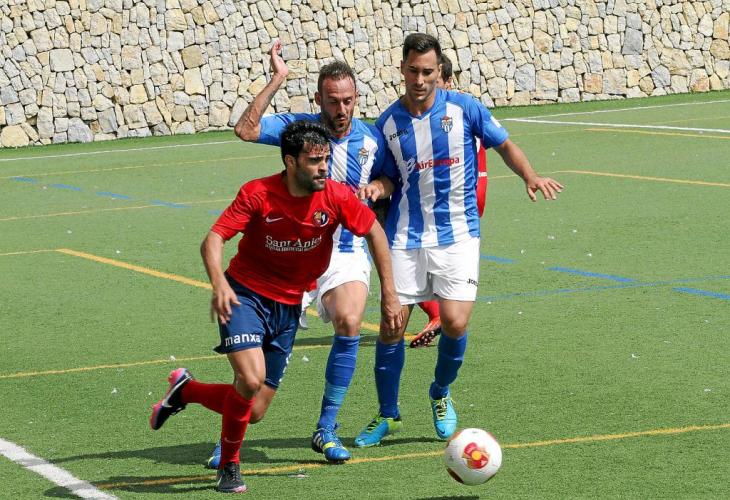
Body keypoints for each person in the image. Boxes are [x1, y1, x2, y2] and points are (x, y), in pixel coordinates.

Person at [148, 120, 401, 493]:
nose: (323, 168)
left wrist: (389, 293)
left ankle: (186, 391)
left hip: (289, 306)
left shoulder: (336, 196)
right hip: (244, 296)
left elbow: (375, 232)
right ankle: (230, 466)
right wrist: (219, 284)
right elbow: (213, 239)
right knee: (250, 381)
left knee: (255, 410)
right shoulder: (258, 193)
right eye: (314, 161)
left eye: (326, 160)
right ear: (290, 161)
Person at [355, 33, 563, 447]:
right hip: (405, 236)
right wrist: (378, 187)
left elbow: (504, 145)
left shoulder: (465, 108)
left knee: (455, 321)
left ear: (439, 72)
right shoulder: (388, 123)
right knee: (392, 326)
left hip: (458, 234)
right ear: (401, 70)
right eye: (412, 71)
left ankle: (440, 391)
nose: (419, 80)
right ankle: (387, 414)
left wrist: (531, 176)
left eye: (427, 71)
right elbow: (388, 177)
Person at [206, 40, 391, 466]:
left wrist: (377, 188)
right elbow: (246, 130)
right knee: (253, 393)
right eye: (333, 101)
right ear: (318, 100)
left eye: (348, 100)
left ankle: (326, 428)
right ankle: (231, 433)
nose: (341, 109)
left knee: (349, 321)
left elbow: (388, 181)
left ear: (356, 98)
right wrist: (278, 79)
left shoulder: (372, 139)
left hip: (342, 249)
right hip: (289, 253)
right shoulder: (299, 131)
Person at [407, 52, 489, 349]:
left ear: (447, 81)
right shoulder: (459, 108)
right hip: (472, 192)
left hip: (456, 198)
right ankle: (440, 314)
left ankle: (438, 314)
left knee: (409, 256)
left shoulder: (454, 112)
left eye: (435, 79)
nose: (427, 86)